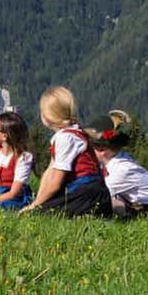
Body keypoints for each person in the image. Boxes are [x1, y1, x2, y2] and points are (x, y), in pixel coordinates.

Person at [20, 86, 112, 217]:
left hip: (87, 195)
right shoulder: (73, 133)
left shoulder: (65, 139)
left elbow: (55, 181)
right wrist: (37, 201)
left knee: (40, 214)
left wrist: (35, 205)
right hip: (95, 193)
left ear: (47, 116)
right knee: (40, 210)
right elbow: (49, 173)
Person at [85, 112, 148, 218]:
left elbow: (99, 193)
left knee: (98, 203)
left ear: (102, 150)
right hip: (129, 203)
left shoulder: (123, 169)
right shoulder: (113, 162)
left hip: (147, 210)